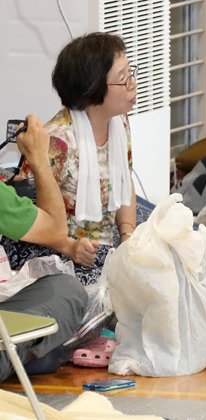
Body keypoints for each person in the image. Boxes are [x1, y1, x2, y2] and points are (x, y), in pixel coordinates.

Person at [2, 33, 137, 285]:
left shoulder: (119, 121)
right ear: (92, 91)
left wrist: (128, 234)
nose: (133, 83)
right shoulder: (57, 143)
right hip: (64, 250)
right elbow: (33, 221)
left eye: (131, 73)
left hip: (108, 239)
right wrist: (73, 247)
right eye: (123, 78)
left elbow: (124, 181)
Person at [0, 115, 88, 382]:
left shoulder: (120, 132)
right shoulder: (61, 135)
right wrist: (38, 157)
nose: (132, 84)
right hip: (54, 238)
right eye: (124, 76)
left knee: (49, 353)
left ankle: (21, 354)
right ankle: (15, 355)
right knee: (67, 292)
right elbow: (56, 230)